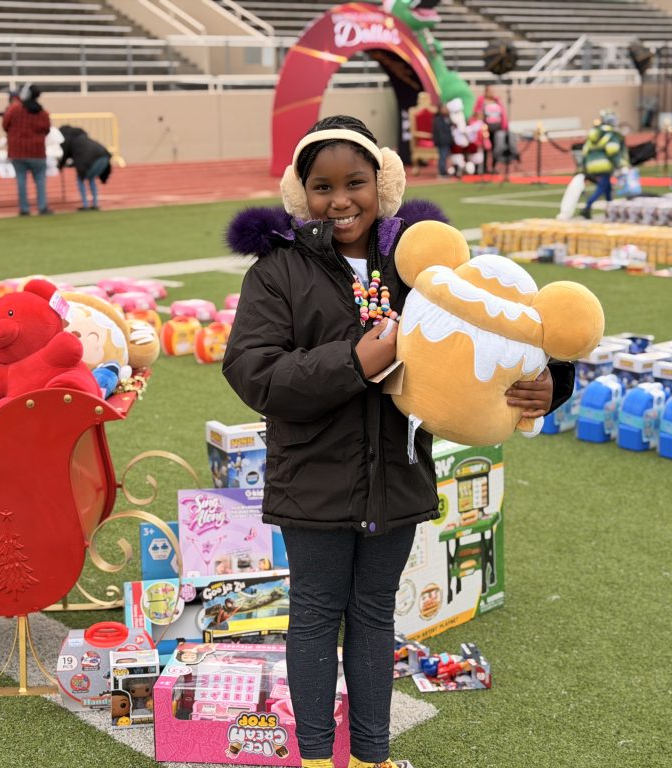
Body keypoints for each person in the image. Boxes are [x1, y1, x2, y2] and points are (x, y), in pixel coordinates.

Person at [222, 114, 574, 768]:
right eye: (322, 186)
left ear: (383, 184)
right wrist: (354, 361)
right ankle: (320, 757)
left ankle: (371, 757)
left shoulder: (424, 261)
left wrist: (555, 379)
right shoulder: (277, 272)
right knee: (316, 617)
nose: (340, 200)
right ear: (301, 195)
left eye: (355, 182)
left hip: (397, 475)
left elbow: (497, 327)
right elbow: (254, 372)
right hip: (313, 482)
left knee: (376, 616)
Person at [2, 82, 52, 216]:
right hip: (37, 152)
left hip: (17, 151)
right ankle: (42, 207)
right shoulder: (43, 113)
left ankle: (24, 208)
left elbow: (5, 124)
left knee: (21, 180)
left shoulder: (14, 109)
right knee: (40, 180)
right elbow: (47, 130)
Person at [581, 111, 628, 219]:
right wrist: (619, 164)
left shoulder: (594, 133)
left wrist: (584, 167)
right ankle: (587, 207)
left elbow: (585, 151)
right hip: (604, 164)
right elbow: (612, 150)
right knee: (602, 187)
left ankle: (610, 210)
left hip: (591, 163)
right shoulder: (611, 134)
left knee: (607, 187)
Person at [57, 125, 112, 211]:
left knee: (81, 180)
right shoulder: (82, 137)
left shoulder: (68, 140)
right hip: (104, 155)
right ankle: (95, 203)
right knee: (91, 179)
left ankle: (85, 205)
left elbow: (65, 155)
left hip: (90, 160)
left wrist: (59, 166)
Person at [475, 86, 508, 173]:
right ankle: (484, 168)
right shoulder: (482, 101)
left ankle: (494, 167)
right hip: (486, 129)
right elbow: (477, 113)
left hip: (497, 128)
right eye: (490, 91)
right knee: (485, 148)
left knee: (496, 148)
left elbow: (503, 114)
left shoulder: (497, 101)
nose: (492, 93)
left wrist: (504, 126)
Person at [431, 104, 453, 178]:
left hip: (447, 141)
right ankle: (442, 172)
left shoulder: (447, 118)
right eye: (444, 108)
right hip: (442, 142)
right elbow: (439, 133)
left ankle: (444, 171)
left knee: (445, 157)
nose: (446, 110)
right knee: (442, 157)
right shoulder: (438, 119)